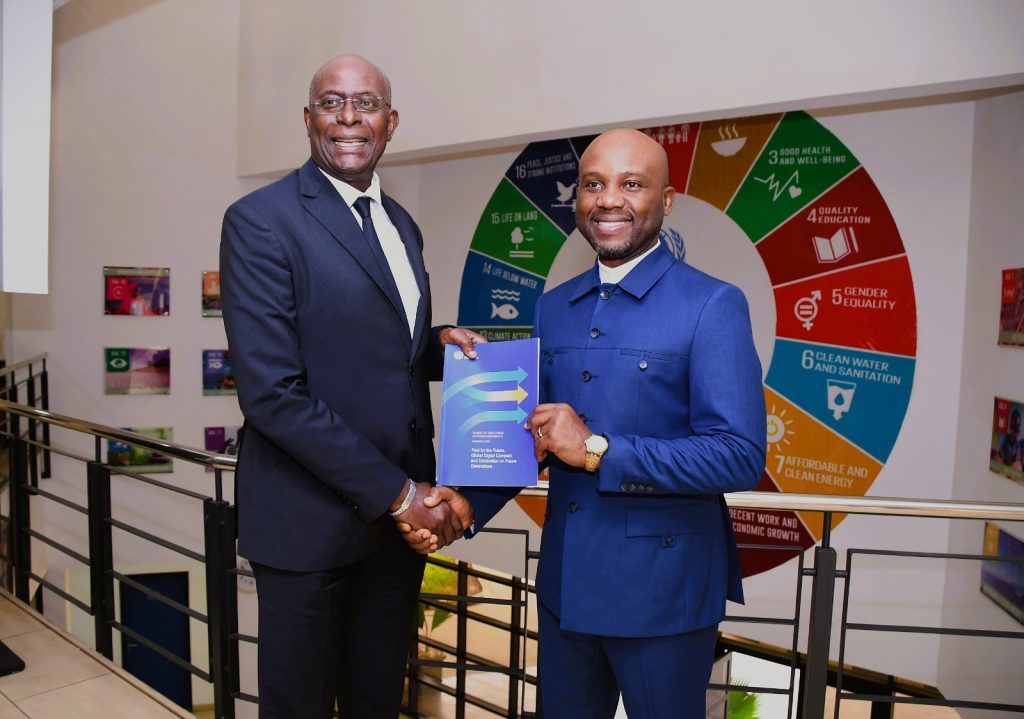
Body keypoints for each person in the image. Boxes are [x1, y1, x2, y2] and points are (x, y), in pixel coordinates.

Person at [405, 128, 766, 718]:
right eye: (593, 184)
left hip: (664, 594)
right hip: (567, 587)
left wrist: (597, 448)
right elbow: (536, 436)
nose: (608, 199)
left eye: (631, 184)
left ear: (667, 200)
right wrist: (467, 505)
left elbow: (738, 455)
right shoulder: (555, 305)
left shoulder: (712, 304)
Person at [220, 54, 481, 719]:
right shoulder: (260, 220)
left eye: (365, 104)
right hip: (310, 525)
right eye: (331, 103)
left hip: (393, 531)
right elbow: (272, 391)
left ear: (390, 123)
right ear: (309, 119)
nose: (348, 118)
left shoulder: (402, 224)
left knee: (375, 701)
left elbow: (372, 343)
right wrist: (401, 495)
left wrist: (435, 345)